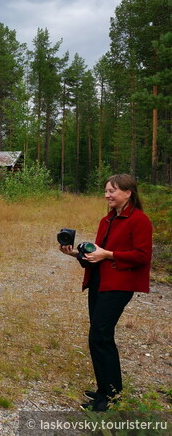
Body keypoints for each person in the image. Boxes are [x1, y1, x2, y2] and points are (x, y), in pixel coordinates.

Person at [59, 174, 152, 412]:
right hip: (99, 282)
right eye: (106, 191)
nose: (107, 195)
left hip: (119, 286)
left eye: (112, 191)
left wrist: (108, 255)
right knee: (100, 337)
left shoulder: (139, 220)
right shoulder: (107, 220)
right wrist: (73, 254)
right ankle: (106, 390)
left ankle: (109, 397)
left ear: (128, 192)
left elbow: (142, 256)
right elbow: (96, 255)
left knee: (99, 336)